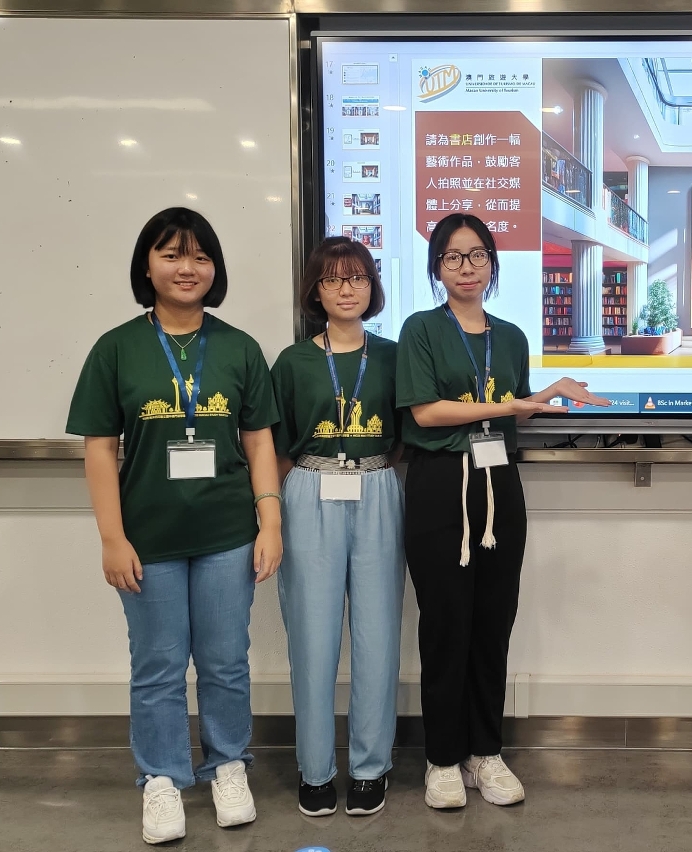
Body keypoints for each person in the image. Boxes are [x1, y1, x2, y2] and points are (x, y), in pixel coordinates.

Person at [67, 207, 282, 844]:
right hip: (148, 540)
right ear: (147, 265)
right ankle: (161, 778)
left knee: (225, 661)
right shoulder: (116, 348)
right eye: (171, 254)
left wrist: (269, 522)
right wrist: (112, 538)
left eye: (200, 257)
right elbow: (99, 449)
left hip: (227, 536)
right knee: (158, 666)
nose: (187, 268)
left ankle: (228, 766)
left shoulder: (239, 347)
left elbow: (260, 441)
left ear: (215, 269)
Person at [396, 214, 609, 809]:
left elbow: (512, 407)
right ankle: (442, 758)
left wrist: (547, 393)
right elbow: (426, 413)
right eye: (452, 256)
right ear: (437, 268)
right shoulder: (421, 329)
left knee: (493, 624)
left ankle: (485, 753)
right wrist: (513, 404)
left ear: (492, 263)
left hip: (499, 483)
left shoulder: (511, 337)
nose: (466, 267)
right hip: (441, 485)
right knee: (445, 627)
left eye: (477, 255)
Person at [270, 237, 403, 818]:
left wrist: (374, 473)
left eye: (357, 277)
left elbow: (405, 436)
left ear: (372, 286)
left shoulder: (395, 355)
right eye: (332, 279)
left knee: (378, 635)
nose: (346, 289)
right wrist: (277, 509)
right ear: (315, 290)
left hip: (376, 485)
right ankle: (316, 769)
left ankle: (370, 768)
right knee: (312, 635)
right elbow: (275, 445)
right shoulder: (292, 361)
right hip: (310, 489)